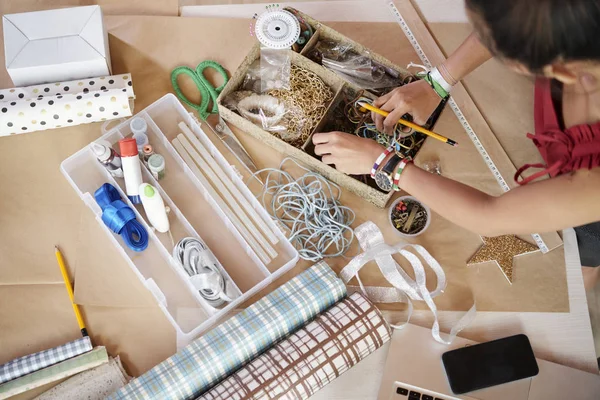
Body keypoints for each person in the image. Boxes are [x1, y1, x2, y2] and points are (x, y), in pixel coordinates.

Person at [312, 0, 600, 289]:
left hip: (588, 210)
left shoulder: (593, 185)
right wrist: (437, 82)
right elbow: (512, 19)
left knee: (582, 260)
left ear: (559, 68)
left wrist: (384, 163)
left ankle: (588, 276)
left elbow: (489, 216)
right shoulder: (576, 35)